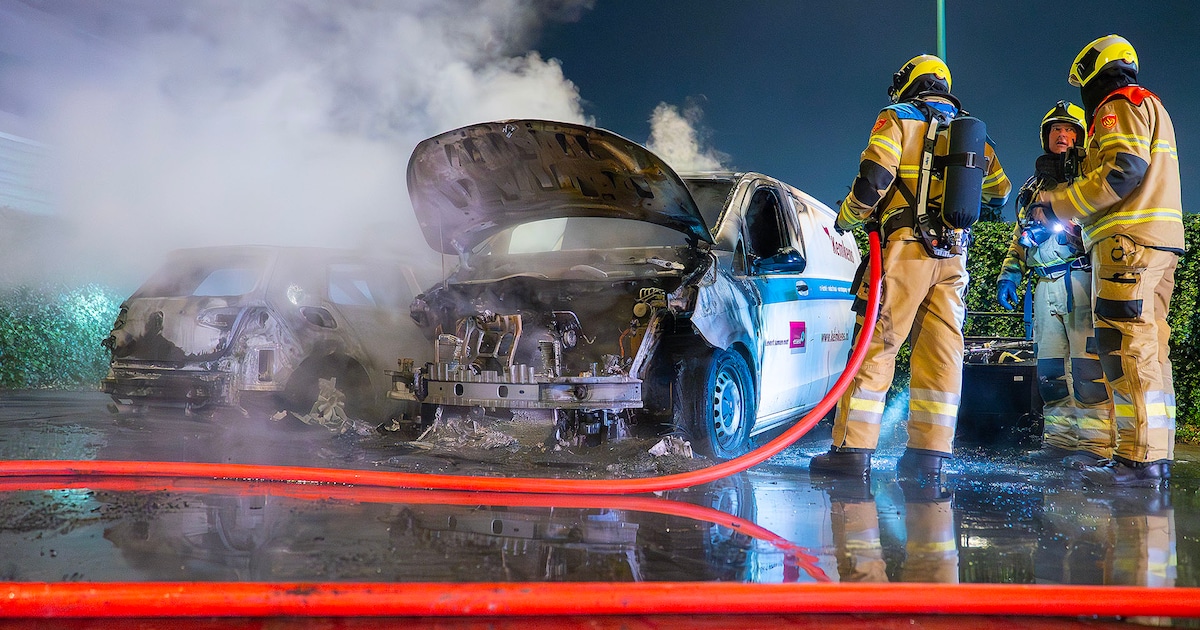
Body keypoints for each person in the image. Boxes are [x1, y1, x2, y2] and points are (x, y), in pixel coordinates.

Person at [810, 54, 1011, 479]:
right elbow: (1000, 192)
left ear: (909, 83)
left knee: (877, 344)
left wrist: (848, 216)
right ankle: (929, 456)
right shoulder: (971, 131)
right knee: (941, 353)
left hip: (905, 248)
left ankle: (851, 452)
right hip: (954, 255)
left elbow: (874, 178)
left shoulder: (897, 117)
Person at [1031, 35, 1183, 487]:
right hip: (1153, 242)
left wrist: (1058, 204)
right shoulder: (1150, 104)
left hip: (1127, 244)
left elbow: (1122, 170)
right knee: (1151, 350)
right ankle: (1152, 453)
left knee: (1125, 349)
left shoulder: (1118, 104)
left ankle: (1137, 460)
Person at [996, 101, 1113, 467]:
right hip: (1045, 286)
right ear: (1046, 137)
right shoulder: (1034, 187)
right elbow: (1022, 235)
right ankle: (1060, 442)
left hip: (1081, 279)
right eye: (1056, 130)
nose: (1062, 136)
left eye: (1070, 131)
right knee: (1050, 374)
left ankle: (1094, 447)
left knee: (1087, 372)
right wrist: (1010, 273)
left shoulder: (1090, 177)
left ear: (1081, 137)